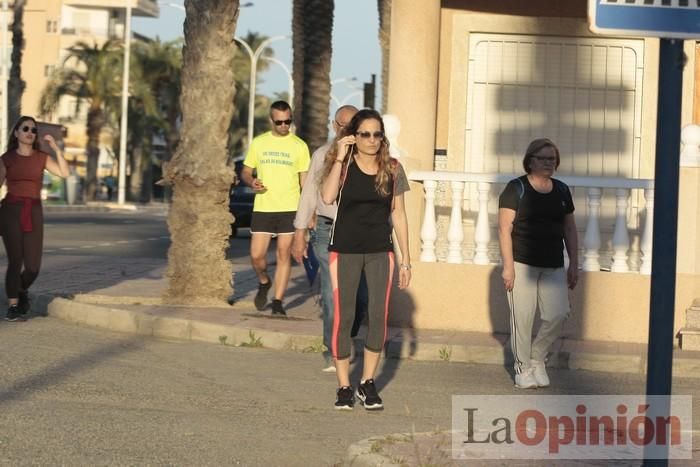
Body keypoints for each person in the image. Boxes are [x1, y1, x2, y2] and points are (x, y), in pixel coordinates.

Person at [321, 109, 411, 411]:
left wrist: (406, 260)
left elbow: (398, 214)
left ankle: (368, 382)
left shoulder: (394, 168)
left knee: (377, 315)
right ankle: (344, 386)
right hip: (343, 250)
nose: (371, 140)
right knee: (344, 317)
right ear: (353, 137)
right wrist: (338, 158)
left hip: (379, 250)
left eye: (376, 133)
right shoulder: (343, 166)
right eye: (364, 134)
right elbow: (327, 196)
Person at [291, 105, 368, 373]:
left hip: (360, 232)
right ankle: (333, 350)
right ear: (335, 126)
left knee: (361, 297)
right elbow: (309, 195)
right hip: (327, 230)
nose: (348, 130)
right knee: (332, 293)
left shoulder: (369, 156)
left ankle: (346, 335)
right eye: (344, 125)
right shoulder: (323, 155)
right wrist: (299, 233)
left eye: (354, 125)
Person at [497, 138, 578, 389]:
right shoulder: (516, 188)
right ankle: (522, 369)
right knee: (522, 318)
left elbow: (569, 228)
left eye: (551, 159)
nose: (547, 163)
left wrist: (574, 262)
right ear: (530, 161)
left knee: (558, 313)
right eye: (542, 158)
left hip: (553, 263)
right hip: (522, 263)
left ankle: (537, 357)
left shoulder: (562, 190)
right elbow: (503, 229)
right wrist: (508, 267)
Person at [241, 101, 310, 316]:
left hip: (289, 207)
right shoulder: (259, 143)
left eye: (287, 121)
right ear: (271, 120)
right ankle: (264, 281)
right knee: (256, 256)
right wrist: (251, 182)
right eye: (279, 122)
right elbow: (246, 171)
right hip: (264, 207)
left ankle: (278, 302)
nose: (283, 125)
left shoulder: (299, 146)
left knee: (283, 254)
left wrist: (309, 212)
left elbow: (305, 183)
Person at [0, 116, 69, 321]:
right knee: (15, 261)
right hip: (11, 210)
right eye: (25, 129)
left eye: (33, 130)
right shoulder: (7, 158)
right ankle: (13, 306)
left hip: (34, 211)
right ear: (16, 133)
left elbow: (64, 173)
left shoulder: (41, 157)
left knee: (32, 267)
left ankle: (21, 292)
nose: (30, 132)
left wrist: (56, 148)